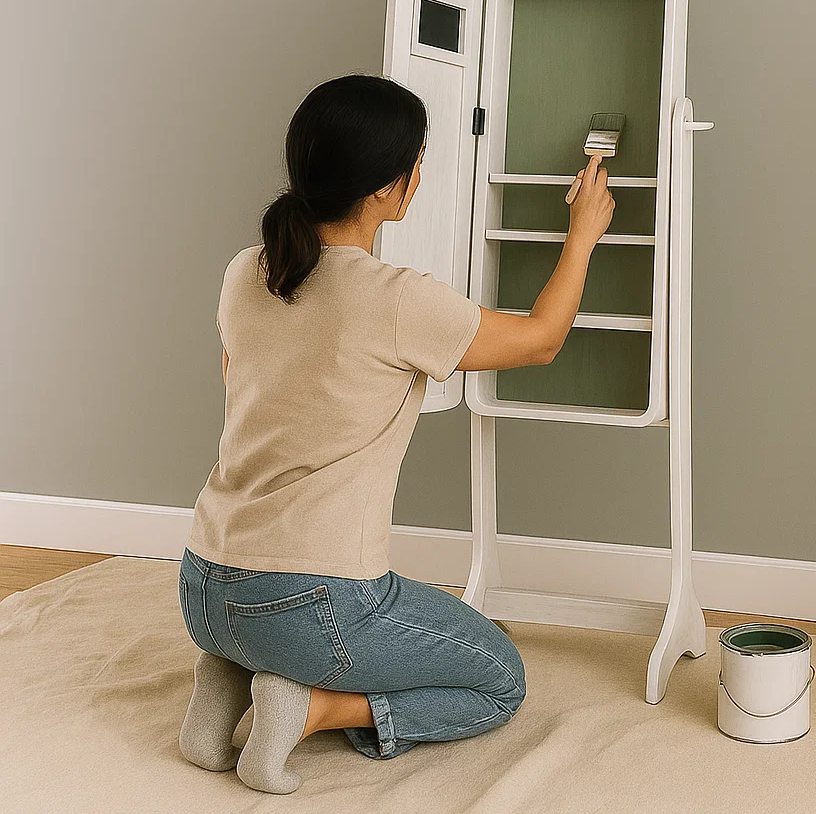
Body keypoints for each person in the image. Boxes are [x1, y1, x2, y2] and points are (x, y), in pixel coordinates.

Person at [177, 74, 615, 793]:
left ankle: (223, 686)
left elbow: (241, 385)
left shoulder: (243, 273)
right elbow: (540, 341)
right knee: (499, 678)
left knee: (305, 620)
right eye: (417, 162)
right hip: (307, 604)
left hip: (202, 587)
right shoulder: (396, 299)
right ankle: (306, 705)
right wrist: (584, 233)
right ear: (389, 187)